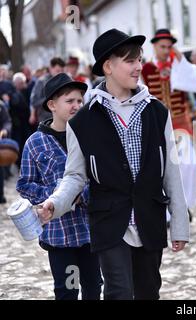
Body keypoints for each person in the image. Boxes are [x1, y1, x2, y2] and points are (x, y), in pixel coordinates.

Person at [37, 29, 190, 300]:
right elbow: (74, 175)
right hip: (109, 221)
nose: (138, 67)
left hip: (149, 218)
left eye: (140, 60)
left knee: (148, 292)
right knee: (118, 291)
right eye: (130, 61)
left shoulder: (157, 112)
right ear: (108, 66)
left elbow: (171, 172)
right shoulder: (82, 121)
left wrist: (179, 224)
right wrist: (55, 203)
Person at [16, 73, 102, 300]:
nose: (76, 106)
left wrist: (81, 194)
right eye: (69, 101)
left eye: (79, 101)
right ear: (52, 105)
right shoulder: (35, 142)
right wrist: (54, 195)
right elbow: (25, 185)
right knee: (67, 290)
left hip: (90, 230)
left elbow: (103, 177)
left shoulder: (90, 135)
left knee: (94, 287)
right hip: (58, 235)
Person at [142, 28, 196, 219]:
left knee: (189, 162)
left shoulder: (180, 66)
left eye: (169, 46)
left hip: (179, 122)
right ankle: (168, 212)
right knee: (162, 167)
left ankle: (183, 205)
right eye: (162, 46)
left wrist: (180, 59)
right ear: (154, 46)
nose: (166, 50)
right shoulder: (145, 68)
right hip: (157, 124)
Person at [30, 57, 66, 125]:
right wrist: (51, 98)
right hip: (45, 120)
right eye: (57, 71)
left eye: (62, 71)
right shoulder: (41, 82)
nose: (60, 74)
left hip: (61, 120)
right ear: (50, 69)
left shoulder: (64, 82)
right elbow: (34, 101)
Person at [10, 72, 32, 168]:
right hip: (18, 123)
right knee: (19, 143)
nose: (25, 85)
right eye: (22, 83)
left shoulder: (25, 92)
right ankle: (19, 163)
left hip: (24, 123)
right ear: (18, 83)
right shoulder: (13, 93)